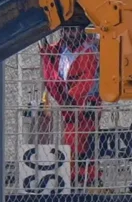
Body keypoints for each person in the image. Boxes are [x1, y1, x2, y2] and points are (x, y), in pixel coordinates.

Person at [40, 26, 102, 187]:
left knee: (81, 142)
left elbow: (88, 78)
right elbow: (54, 74)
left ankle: (85, 177)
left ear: (82, 31)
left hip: (86, 104)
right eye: (67, 31)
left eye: (74, 30)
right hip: (69, 105)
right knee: (72, 142)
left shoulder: (89, 51)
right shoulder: (59, 50)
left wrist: (72, 99)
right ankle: (78, 176)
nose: (70, 34)